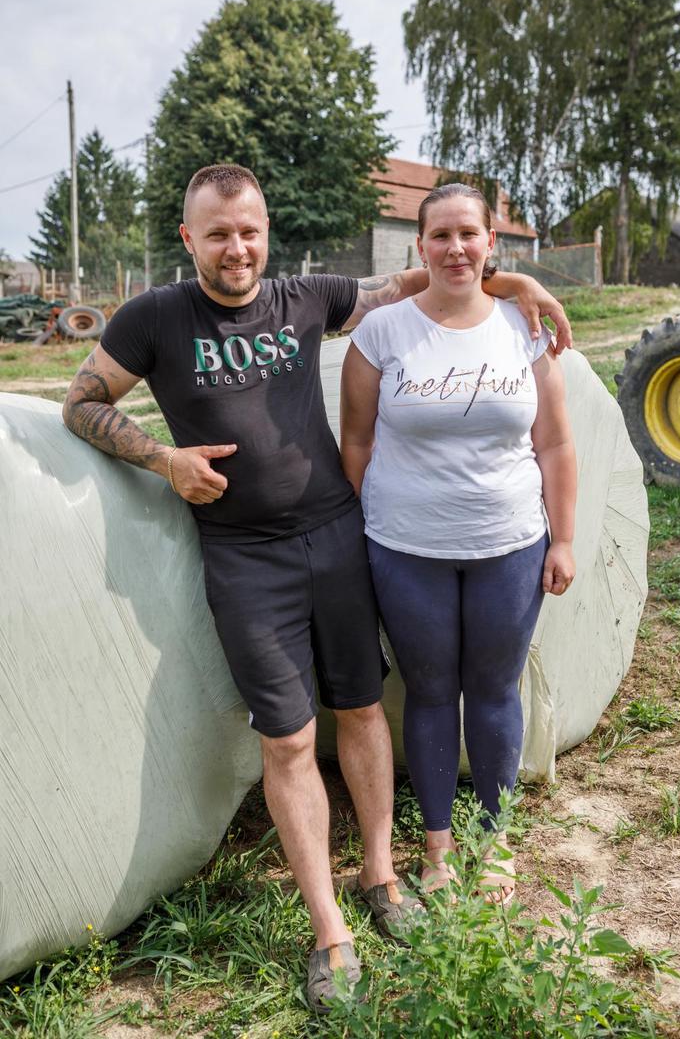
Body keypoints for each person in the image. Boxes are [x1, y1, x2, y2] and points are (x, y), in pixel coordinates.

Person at [62, 165, 572, 1009]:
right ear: (189, 237)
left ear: (266, 230)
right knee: (289, 740)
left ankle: (380, 874)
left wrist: (511, 277)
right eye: (217, 233)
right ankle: (330, 929)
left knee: (363, 708)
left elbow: (414, 278)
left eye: (249, 230)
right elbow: (82, 399)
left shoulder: (306, 297)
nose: (237, 247)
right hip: (243, 556)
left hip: (336, 537)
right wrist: (161, 459)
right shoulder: (154, 316)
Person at [341, 182, 577, 904]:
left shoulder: (521, 326)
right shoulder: (381, 333)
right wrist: (375, 521)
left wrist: (561, 539)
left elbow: (556, 444)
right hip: (405, 548)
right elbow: (355, 439)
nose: (455, 248)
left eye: (468, 234)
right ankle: (439, 845)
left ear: (490, 244)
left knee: (494, 689)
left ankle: (493, 837)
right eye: (439, 236)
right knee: (431, 689)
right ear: (419, 246)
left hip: (508, 543)